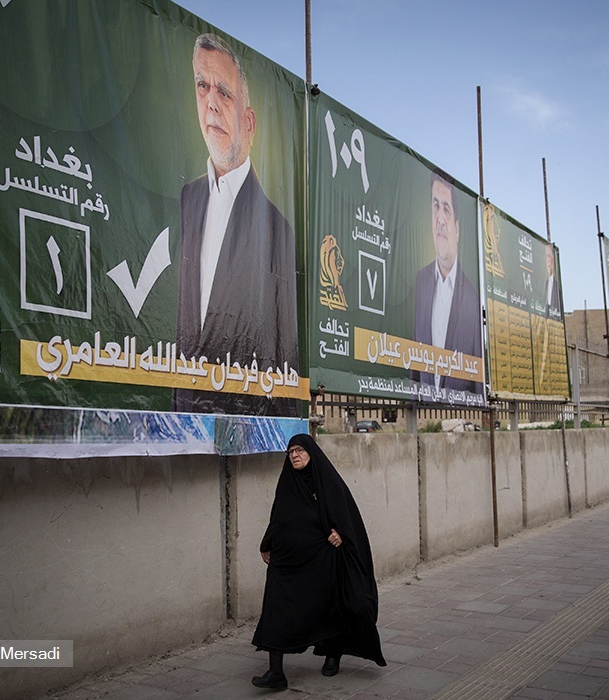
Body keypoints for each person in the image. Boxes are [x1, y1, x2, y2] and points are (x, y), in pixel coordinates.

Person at [174, 33, 298, 416]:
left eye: (224, 92)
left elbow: (284, 349)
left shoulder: (278, 230)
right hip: (182, 421)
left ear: (248, 121)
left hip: (245, 417)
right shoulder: (184, 201)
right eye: (202, 86)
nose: (210, 102)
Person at [251, 434, 386, 689]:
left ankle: (332, 655)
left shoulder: (327, 481)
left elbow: (347, 518)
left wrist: (340, 533)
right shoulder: (287, 482)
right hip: (286, 561)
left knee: (328, 607)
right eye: (290, 451)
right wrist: (266, 542)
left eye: (300, 450)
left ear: (311, 452)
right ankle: (276, 673)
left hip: (320, 559)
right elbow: (278, 516)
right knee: (275, 610)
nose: (294, 455)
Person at [412, 171, 483, 395]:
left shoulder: (473, 299)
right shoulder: (420, 282)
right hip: (423, 411)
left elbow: (478, 381)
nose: (440, 219)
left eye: (446, 208)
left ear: (457, 228)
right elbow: (414, 365)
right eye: (435, 207)